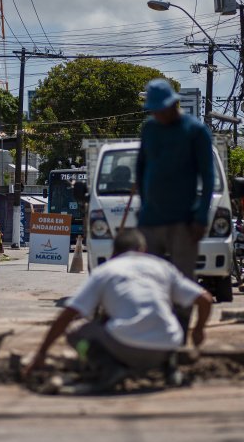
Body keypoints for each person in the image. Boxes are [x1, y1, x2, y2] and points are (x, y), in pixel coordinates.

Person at [23, 229, 213, 391]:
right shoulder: (162, 267)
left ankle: (108, 368)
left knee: (75, 332)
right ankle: (169, 368)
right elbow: (205, 299)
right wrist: (198, 330)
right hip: (167, 344)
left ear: (114, 251)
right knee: (168, 317)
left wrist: (42, 353)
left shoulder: (106, 271)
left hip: (124, 347)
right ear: (143, 250)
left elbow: (68, 314)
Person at [135, 78, 215, 335]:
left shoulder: (195, 131)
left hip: (183, 220)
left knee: (182, 279)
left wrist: (201, 216)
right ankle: (156, 329)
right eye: (154, 109)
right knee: (151, 278)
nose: (158, 114)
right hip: (151, 219)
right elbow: (141, 167)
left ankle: (180, 330)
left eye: (162, 108)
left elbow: (208, 176)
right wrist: (144, 204)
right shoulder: (149, 129)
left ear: (174, 103)